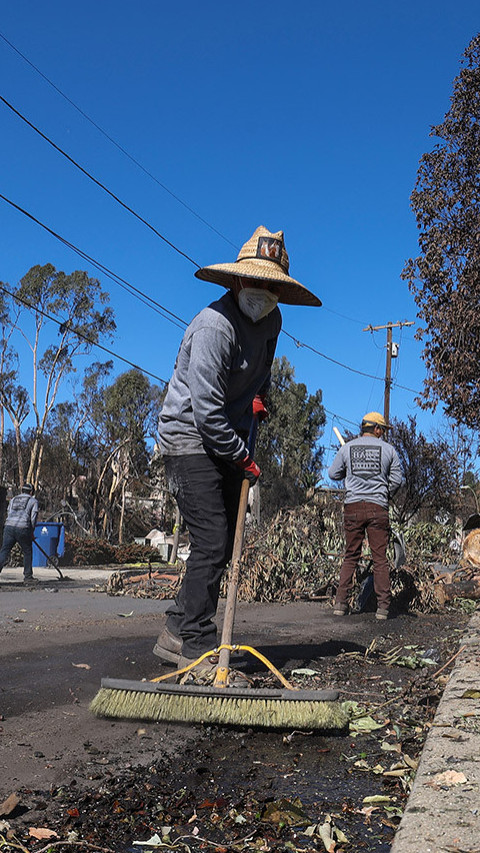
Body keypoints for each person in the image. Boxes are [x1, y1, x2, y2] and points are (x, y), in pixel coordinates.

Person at [154, 225, 322, 672]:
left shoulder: (272, 322)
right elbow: (207, 411)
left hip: (225, 437)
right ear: (235, 280)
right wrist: (244, 457)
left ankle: (176, 628)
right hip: (189, 437)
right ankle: (195, 643)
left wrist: (259, 397)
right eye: (256, 282)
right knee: (210, 540)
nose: (262, 293)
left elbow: (260, 374)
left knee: (224, 543)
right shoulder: (213, 325)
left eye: (272, 286)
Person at [328, 412, 403, 620]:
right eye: (383, 430)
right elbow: (397, 480)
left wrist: (349, 472)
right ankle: (383, 608)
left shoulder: (347, 448)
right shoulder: (389, 450)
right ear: (377, 429)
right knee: (380, 558)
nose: (383, 434)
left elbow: (333, 474)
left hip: (352, 508)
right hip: (378, 507)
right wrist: (384, 493)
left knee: (350, 554)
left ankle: (341, 604)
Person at [0, 483, 39, 583]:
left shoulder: (13, 499)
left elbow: (9, 512)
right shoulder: (33, 501)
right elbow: (33, 518)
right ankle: (28, 576)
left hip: (8, 527)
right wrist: (31, 531)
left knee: (4, 551)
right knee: (27, 551)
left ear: (22, 491)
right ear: (31, 492)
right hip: (23, 527)